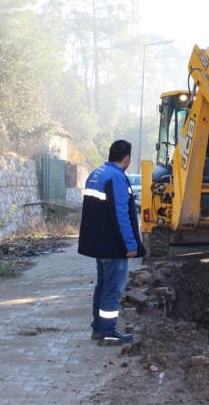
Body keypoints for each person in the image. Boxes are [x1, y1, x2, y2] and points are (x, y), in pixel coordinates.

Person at [78, 139, 146, 346]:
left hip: (99, 243)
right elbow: (121, 214)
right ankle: (108, 333)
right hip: (113, 246)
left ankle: (98, 329)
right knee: (112, 289)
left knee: (102, 287)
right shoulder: (116, 178)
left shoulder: (97, 174)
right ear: (127, 158)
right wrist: (131, 245)